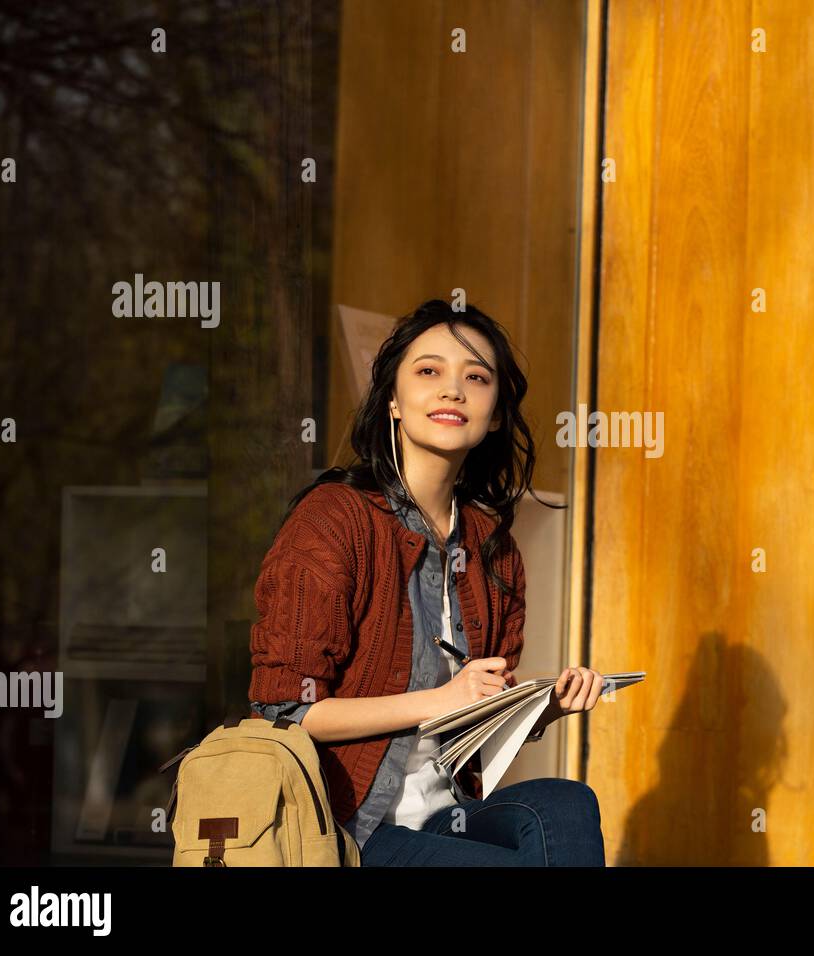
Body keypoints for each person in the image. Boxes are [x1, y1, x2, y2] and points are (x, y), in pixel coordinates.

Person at [248, 298, 606, 865]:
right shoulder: (334, 520)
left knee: (566, 805)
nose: (453, 390)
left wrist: (538, 710)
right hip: (349, 825)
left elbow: (471, 731)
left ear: (493, 414)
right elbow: (288, 708)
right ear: (393, 399)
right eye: (429, 371)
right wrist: (439, 698)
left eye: (476, 377)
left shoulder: (493, 550)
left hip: (444, 814)